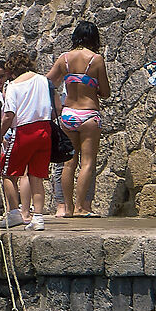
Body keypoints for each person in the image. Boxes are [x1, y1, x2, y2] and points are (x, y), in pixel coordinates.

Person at [47, 22, 108, 218]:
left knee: (68, 163)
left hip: (68, 114)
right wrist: (92, 86)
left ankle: (67, 208)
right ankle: (83, 207)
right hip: (89, 114)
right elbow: (105, 92)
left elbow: (47, 83)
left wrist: (58, 101)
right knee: (88, 162)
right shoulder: (96, 60)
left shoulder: (64, 59)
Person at [0, 49, 54, 229]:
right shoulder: (44, 80)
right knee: (37, 176)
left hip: (24, 131)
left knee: (8, 173)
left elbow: (9, 115)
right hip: (45, 130)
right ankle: (38, 218)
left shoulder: (14, 85)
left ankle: (14, 212)